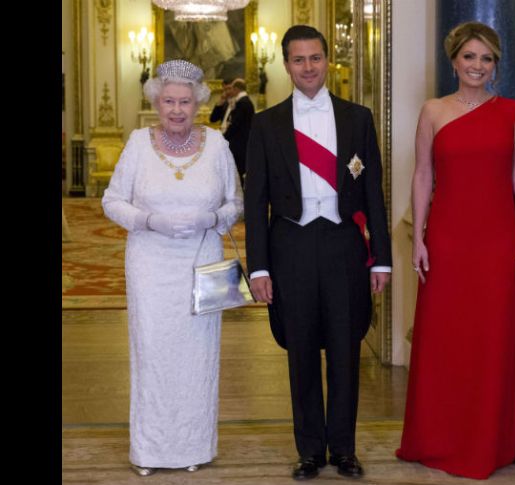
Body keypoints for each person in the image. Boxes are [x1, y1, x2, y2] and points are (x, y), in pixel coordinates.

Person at [244, 25, 391, 480]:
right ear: (286, 64)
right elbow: (255, 203)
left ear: (328, 60)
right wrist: (260, 267)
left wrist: (381, 257)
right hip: (290, 246)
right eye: (298, 60)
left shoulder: (357, 118)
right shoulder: (266, 124)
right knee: (302, 351)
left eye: (315, 58)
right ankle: (310, 449)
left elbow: (373, 193)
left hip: (344, 244)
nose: (308, 67)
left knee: (346, 351)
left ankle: (344, 449)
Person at [395, 21, 515, 479]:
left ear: (495, 66)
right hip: (449, 243)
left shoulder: (512, 112)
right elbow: (422, 176)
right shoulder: (433, 111)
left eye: (487, 58)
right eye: (470, 57)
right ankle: (438, 438)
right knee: (446, 343)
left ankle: (490, 444)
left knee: (491, 343)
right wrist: (418, 236)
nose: (478, 66)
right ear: (454, 60)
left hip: (497, 244)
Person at [102, 59, 244, 477]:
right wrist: (149, 221)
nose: (177, 110)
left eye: (185, 101)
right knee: (153, 355)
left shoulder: (217, 145)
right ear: (156, 102)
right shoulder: (137, 143)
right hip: (149, 265)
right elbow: (112, 201)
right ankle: (149, 451)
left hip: (201, 263)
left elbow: (235, 203)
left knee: (198, 356)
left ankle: (193, 447)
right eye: (168, 101)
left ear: (198, 102)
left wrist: (211, 219)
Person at [210, 78, 255, 187]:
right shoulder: (225, 103)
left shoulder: (241, 103)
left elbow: (235, 125)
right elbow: (213, 119)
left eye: (229, 89)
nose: (227, 92)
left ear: (234, 89)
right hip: (227, 143)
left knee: (235, 174)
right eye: (225, 90)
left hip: (235, 144)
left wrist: (223, 139)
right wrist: (220, 101)